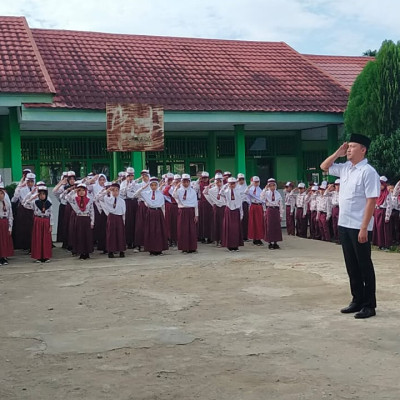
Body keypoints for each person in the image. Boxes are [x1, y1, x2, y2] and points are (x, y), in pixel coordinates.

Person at [320, 133, 380, 319]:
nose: (349, 149)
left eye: (353, 147)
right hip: (344, 224)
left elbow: (371, 201)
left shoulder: (368, 172)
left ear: (363, 149)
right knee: (351, 265)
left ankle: (369, 305)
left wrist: (364, 227)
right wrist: (338, 152)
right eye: (348, 146)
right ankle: (357, 300)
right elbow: (324, 166)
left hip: (359, 226)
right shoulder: (345, 168)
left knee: (364, 266)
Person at [134, 177, 168, 256]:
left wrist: (164, 215)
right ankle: (151, 249)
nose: (153, 187)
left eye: (155, 185)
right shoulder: (146, 193)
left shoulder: (160, 194)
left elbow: (163, 206)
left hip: (158, 212)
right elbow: (135, 195)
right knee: (151, 231)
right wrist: (143, 187)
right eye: (152, 185)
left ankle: (159, 249)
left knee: (159, 231)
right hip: (150, 212)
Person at [23, 185, 53, 263]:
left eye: (44, 194)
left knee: (46, 239)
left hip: (46, 220)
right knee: (38, 238)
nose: (42, 196)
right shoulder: (35, 202)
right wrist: (33, 196)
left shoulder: (49, 203)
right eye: (40, 194)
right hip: (38, 220)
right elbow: (25, 204)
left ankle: (46, 256)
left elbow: (51, 215)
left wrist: (51, 225)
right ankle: (38, 257)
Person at [98, 183, 126, 258]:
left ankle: (121, 250)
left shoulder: (122, 201)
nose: (115, 192)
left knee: (120, 234)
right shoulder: (107, 199)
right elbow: (98, 197)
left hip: (119, 218)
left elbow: (124, 212)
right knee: (111, 234)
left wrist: (124, 221)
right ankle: (111, 251)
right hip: (111, 217)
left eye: (117, 190)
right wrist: (106, 191)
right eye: (113, 190)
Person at [68, 183, 94, 260]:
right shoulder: (75, 199)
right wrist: (73, 191)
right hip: (79, 218)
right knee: (80, 236)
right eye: (79, 190)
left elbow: (92, 211)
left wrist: (92, 222)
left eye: (83, 190)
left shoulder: (89, 200)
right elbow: (66, 197)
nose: (81, 192)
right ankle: (81, 252)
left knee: (87, 236)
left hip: (87, 218)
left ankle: (87, 252)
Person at [173, 174, 198, 253]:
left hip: (191, 211)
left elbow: (195, 203)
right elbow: (174, 196)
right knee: (182, 230)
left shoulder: (193, 191)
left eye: (187, 182)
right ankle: (184, 247)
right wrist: (176, 187)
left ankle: (192, 247)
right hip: (182, 211)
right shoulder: (179, 191)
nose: (185, 183)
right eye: (184, 182)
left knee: (191, 230)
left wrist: (196, 215)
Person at [220, 177, 244, 252]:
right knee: (229, 228)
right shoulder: (226, 191)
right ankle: (229, 245)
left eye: (233, 183)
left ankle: (236, 245)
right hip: (229, 210)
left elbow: (240, 203)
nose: (232, 185)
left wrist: (241, 213)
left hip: (236, 210)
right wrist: (226, 184)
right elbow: (220, 192)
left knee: (236, 229)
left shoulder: (238, 191)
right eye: (231, 184)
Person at [203, 173, 225, 247]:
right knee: (216, 224)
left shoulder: (225, 189)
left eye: (220, 181)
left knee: (224, 224)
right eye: (217, 181)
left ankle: (223, 239)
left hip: (224, 207)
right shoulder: (212, 190)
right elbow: (204, 193)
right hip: (216, 207)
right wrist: (209, 185)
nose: (219, 183)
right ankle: (217, 240)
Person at [261, 178, 283, 249]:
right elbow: (261, 198)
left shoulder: (278, 193)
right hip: (269, 210)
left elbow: (281, 204)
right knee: (269, 226)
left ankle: (275, 242)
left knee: (276, 226)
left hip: (276, 210)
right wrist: (265, 189)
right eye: (270, 186)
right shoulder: (266, 193)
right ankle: (270, 242)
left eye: (273, 185)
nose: (272, 187)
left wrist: (281, 214)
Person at [372, 176, 392, 251]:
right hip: (377, 212)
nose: (380, 186)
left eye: (381, 184)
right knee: (378, 228)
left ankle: (385, 245)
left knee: (384, 229)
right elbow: (374, 202)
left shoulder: (387, 194)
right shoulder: (378, 193)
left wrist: (387, 216)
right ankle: (379, 243)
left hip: (383, 212)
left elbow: (389, 205)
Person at [245, 176, 265, 246]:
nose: (256, 183)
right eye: (255, 182)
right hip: (253, 206)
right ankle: (254, 238)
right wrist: (251, 185)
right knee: (253, 223)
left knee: (259, 223)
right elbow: (246, 192)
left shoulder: (260, 190)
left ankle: (259, 238)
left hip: (259, 207)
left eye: (257, 182)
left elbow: (263, 199)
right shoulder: (250, 189)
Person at [0, 184, 13, 265]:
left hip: (5, 223)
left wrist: (10, 227)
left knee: (4, 240)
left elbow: (10, 216)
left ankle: (4, 257)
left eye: (2, 193)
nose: (0, 195)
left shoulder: (7, 203)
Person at [237, 173, 250, 241]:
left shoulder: (246, 187)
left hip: (245, 204)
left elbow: (248, 197)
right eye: (240, 180)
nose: (241, 181)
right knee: (239, 220)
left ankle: (245, 236)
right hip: (238, 205)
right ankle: (240, 236)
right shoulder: (236, 187)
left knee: (245, 220)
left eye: (242, 179)